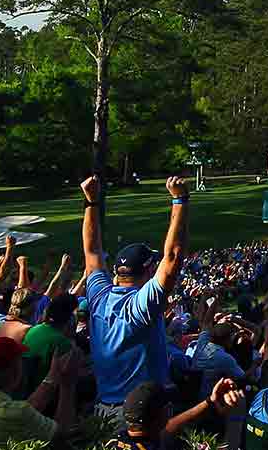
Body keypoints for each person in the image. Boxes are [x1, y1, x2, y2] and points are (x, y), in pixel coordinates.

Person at [81, 175, 189, 422]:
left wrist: (91, 202)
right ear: (150, 270)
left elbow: (92, 251)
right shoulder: (142, 307)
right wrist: (180, 200)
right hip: (139, 415)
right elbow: (172, 257)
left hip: (103, 411)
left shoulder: (98, 296)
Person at [0, 336, 81, 450]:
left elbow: (26, 411)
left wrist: (53, 376)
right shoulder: (16, 413)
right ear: (13, 371)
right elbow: (63, 432)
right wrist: (67, 384)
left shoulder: (10, 410)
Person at [122, 377, 246, 450]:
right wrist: (235, 416)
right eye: (167, 407)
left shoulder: (119, 438)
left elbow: (167, 427)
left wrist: (210, 401)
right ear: (157, 419)